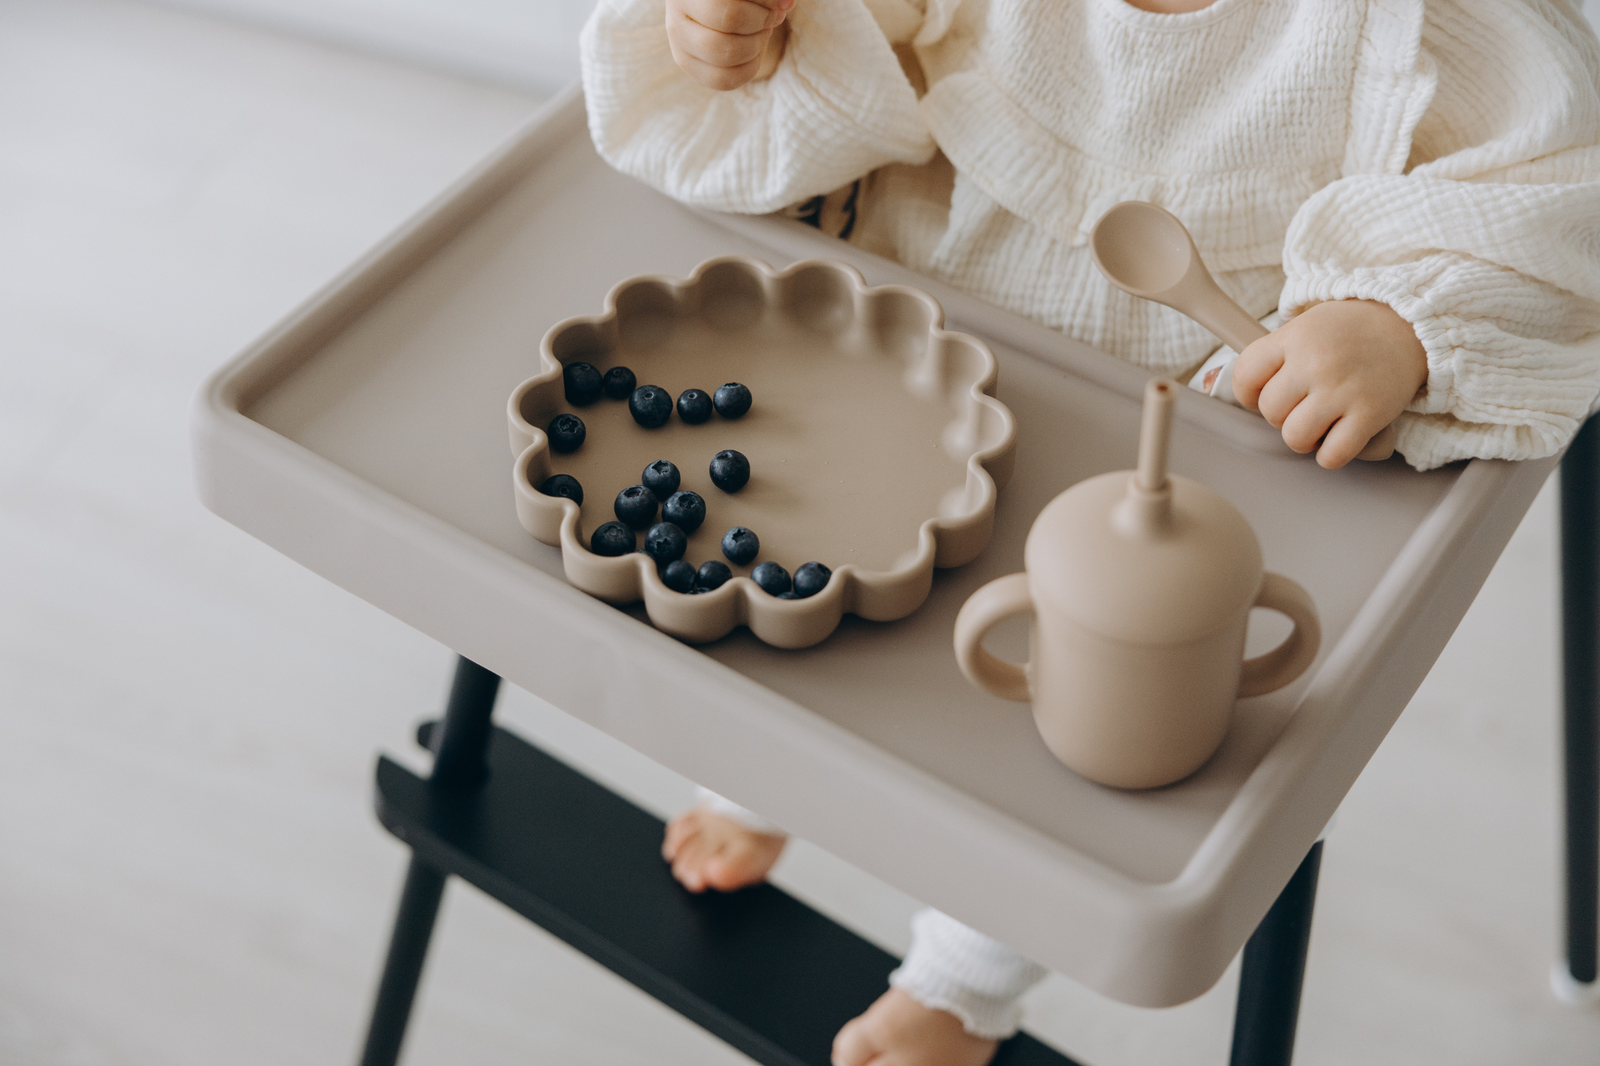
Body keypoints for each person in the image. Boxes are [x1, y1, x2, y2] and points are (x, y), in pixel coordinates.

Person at [582, 0, 1600, 1062]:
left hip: (1162, 462)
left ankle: (962, 976)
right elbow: (833, 46)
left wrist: (1392, 319)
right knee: (803, 593)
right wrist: (747, 35)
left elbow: (1555, 179)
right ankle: (759, 783)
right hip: (905, 364)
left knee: (1082, 730)